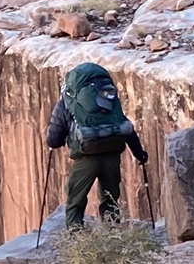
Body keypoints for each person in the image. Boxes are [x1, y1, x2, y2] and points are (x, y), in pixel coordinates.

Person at [45, 62, 146, 227]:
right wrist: (139, 153)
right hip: (112, 154)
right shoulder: (110, 99)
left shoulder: (67, 102)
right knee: (110, 199)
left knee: (75, 200)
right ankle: (112, 234)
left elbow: (54, 140)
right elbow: (125, 126)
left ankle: (76, 237)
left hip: (86, 158)